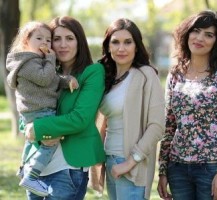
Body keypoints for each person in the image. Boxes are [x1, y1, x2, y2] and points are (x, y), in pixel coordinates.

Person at [157, 10, 217, 200]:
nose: (200, 38)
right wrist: (162, 170)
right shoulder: (175, 74)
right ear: (187, 33)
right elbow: (169, 125)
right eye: (196, 31)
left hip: (212, 169)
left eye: (209, 34)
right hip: (177, 168)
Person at [24, 16, 106, 200]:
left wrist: (37, 128)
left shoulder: (92, 73)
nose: (62, 45)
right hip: (36, 168)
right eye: (56, 38)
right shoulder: (43, 73)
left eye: (69, 38)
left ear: (79, 42)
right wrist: (27, 128)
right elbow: (27, 109)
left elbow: (80, 118)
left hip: (68, 168)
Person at [6, 21, 78, 197]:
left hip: (36, 111)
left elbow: (50, 80)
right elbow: (45, 78)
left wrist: (66, 80)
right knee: (50, 143)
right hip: (40, 111)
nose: (44, 43)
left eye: (48, 39)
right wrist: (51, 58)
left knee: (33, 143)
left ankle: (25, 168)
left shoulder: (36, 61)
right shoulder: (27, 62)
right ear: (26, 41)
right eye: (39, 38)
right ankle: (32, 176)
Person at [98, 18, 165, 200]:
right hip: (110, 159)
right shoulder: (107, 78)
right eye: (116, 42)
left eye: (128, 42)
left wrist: (130, 162)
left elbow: (157, 126)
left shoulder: (146, 75)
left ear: (137, 46)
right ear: (108, 46)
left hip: (132, 163)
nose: (121, 48)